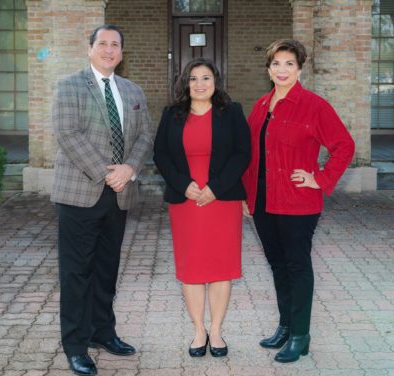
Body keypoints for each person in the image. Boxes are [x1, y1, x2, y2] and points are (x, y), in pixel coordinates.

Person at [242, 39, 355, 363]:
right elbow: (251, 155)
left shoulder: (314, 106)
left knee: (297, 265)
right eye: (276, 63)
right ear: (268, 68)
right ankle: (286, 325)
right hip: (263, 200)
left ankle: (301, 335)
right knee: (278, 265)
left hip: (297, 202)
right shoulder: (261, 106)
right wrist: (245, 197)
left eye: (289, 63)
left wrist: (318, 177)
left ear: (299, 68)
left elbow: (344, 146)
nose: (281, 69)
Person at [50, 24, 154, 376]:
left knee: (107, 270)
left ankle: (102, 332)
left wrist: (129, 168)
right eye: (103, 43)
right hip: (80, 193)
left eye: (115, 45)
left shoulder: (132, 90)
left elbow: (144, 136)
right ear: (90, 48)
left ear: (122, 53)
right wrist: (106, 171)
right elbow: (67, 133)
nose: (109, 49)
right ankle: (76, 346)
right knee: (77, 272)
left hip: (120, 195)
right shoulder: (69, 86)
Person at [153, 58, 250, 358]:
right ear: (185, 83)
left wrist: (215, 188)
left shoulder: (232, 112)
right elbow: (161, 154)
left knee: (222, 268)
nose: (199, 84)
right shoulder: (172, 114)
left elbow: (242, 153)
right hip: (187, 202)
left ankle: (217, 331)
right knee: (192, 268)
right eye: (193, 79)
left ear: (216, 82)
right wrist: (184, 184)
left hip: (222, 201)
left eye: (206, 78)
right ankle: (198, 331)